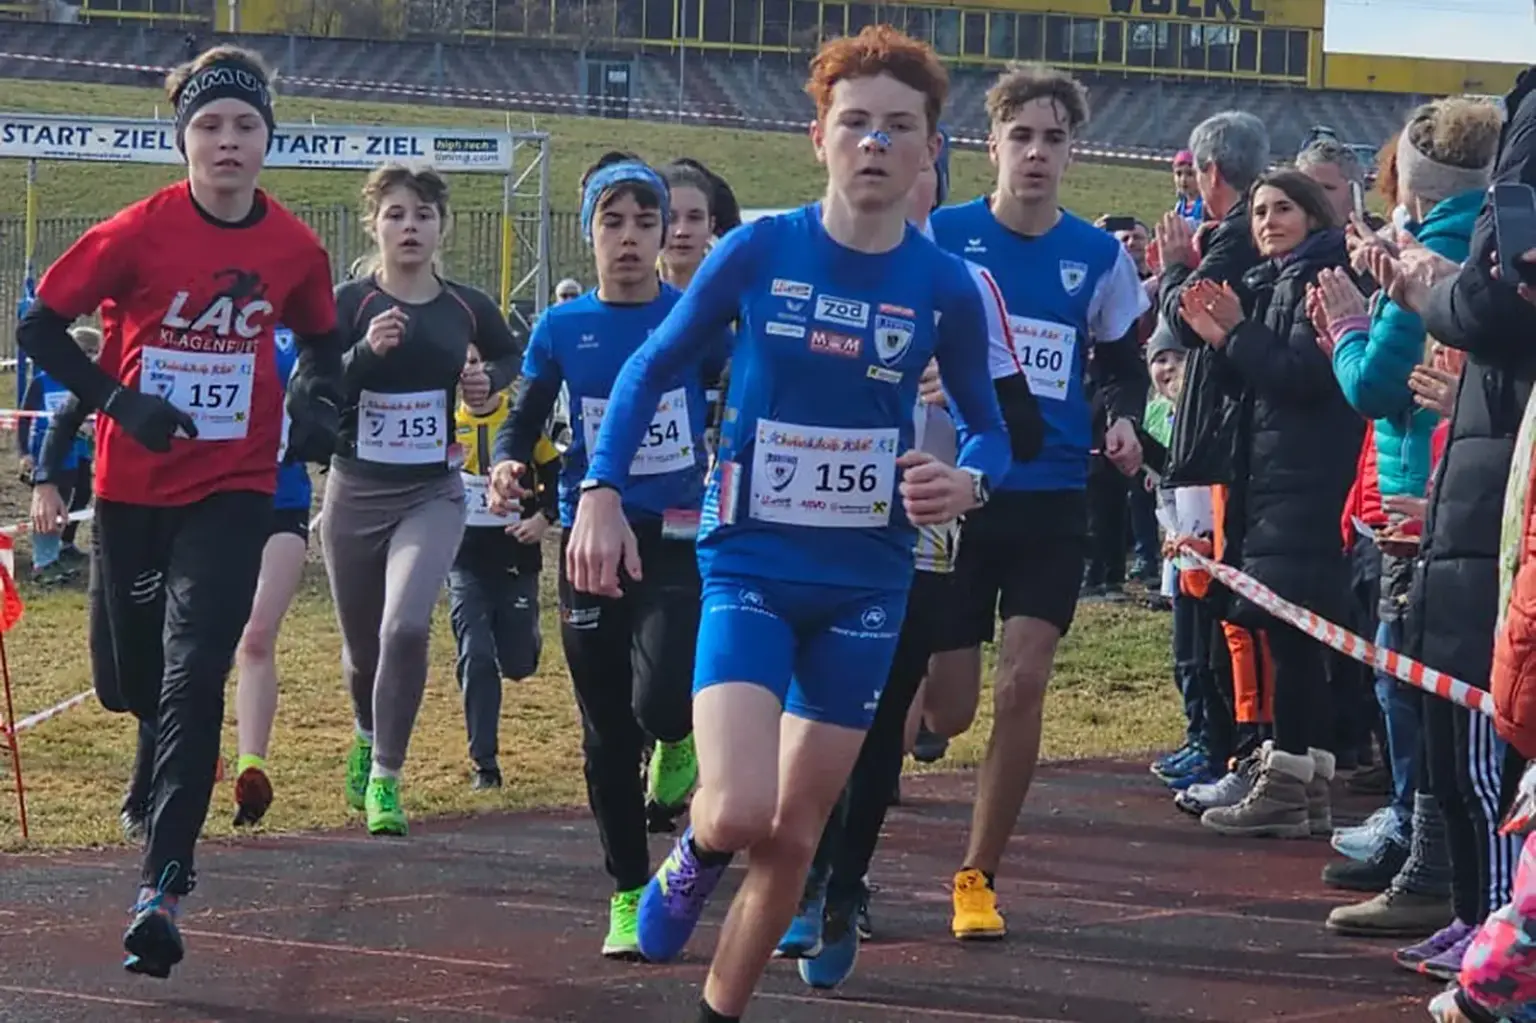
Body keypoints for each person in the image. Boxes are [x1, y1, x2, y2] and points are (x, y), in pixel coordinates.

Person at [558, 26, 1010, 1022]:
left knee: (797, 837)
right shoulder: (761, 248)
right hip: (753, 564)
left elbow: (991, 433)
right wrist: (598, 487)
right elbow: (652, 365)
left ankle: (720, 1008)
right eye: (857, 124)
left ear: (931, 148)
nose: (877, 145)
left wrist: (965, 483)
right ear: (819, 138)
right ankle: (693, 854)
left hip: (869, 579)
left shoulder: (944, 288)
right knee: (738, 810)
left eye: (901, 127)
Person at [14, 44, 343, 978]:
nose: (229, 142)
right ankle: (156, 788)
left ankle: (162, 880)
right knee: (129, 683)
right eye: (210, 126)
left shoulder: (294, 247)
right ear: (183, 141)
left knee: (195, 669)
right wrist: (119, 403)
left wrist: (317, 404)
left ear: (268, 140)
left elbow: (321, 340)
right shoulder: (136, 233)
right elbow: (37, 323)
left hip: (235, 488)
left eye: (246, 126)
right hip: (129, 487)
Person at [780, 128, 1042, 990]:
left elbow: (1020, 432)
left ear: (933, 177)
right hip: (812, 519)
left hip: (917, 538)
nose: (892, 168)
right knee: (813, 715)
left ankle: (841, 882)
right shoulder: (799, 253)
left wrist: (960, 414)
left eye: (918, 156)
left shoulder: (968, 287)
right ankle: (799, 874)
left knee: (885, 710)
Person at [922, 62, 1148, 941]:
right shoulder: (942, 236)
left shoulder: (1098, 256)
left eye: (1054, 138)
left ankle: (976, 876)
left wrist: (1124, 422)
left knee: (1023, 684)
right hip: (958, 492)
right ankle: (914, 726)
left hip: (1052, 496)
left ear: (1072, 153)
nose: (1038, 153)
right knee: (952, 708)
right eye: (1023, 135)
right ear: (994, 144)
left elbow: (1122, 366)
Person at [489, 156, 722, 959]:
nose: (629, 240)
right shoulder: (562, 328)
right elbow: (522, 416)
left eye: (644, 223)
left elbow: (741, 391)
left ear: (664, 233)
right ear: (589, 233)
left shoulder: (693, 318)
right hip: (591, 537)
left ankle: (679, 738)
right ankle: (628, 891)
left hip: (677, 534)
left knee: (661, 698)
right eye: (612, 223)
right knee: (604, 735)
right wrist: (507, 462)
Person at [1312, 96, 1500, 896]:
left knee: (1411, 678)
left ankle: (1422, 837)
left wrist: (1350, 329)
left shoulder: (1426, 258)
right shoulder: (1489, 250)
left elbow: (1373, 386)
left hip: (1418, 496)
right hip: (1455, 490)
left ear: (1412, 186)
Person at [323, 163, 521, 837]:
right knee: (362, 654)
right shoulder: (350, 304)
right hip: (355, 489)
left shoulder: (464, 305)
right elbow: (310, 389)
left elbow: (506, 354)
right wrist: (361, 359)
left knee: (405, 626)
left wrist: (485, 383)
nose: (410, 227)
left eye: (424, 215)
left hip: (431, 492)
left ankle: (385, 775)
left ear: (443, 226)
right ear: (374, 224)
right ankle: (362, 726)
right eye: (397, 214)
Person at [1178, 169, 1362, 838]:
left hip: (1307, 483)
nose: (1266, 221)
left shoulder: (1322, 278)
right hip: (1282, 478)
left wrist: (1233, 336)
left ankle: (1289, 782)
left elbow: (1304, 377)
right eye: (1257, 211)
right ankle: (1303, 784)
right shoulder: (1281, 279)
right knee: (1293, 637)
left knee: (1293, 636)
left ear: (1314, 214)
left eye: (1283, 207)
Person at [451, 343, 559, 791]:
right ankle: (485, 764)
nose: (470, 376)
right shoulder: (443, 424)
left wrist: (542, 518)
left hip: (516, 557)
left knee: (516, 663)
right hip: (463, 558)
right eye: (460, 368)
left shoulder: (518, 424)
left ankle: (524, 640)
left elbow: (557, 475)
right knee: (476, 653)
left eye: (476, 364)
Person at [229, 324, 318, 827]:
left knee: (257, 636)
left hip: (283, 500)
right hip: (217, 499)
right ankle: (194, 751)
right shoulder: (212, 325)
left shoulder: (300, 336)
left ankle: (252, 768)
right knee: (204, 639)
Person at [20, 325, 99, 584]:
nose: (89, 356)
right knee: (49, 506)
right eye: (85, 350)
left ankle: (55, 553)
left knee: (67, 502)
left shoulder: (85, 382)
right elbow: (25, 418)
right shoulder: (42, 381)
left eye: (94, 352)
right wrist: (24, 453)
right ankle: (42, 564)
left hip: (73, 454)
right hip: (47, 454)